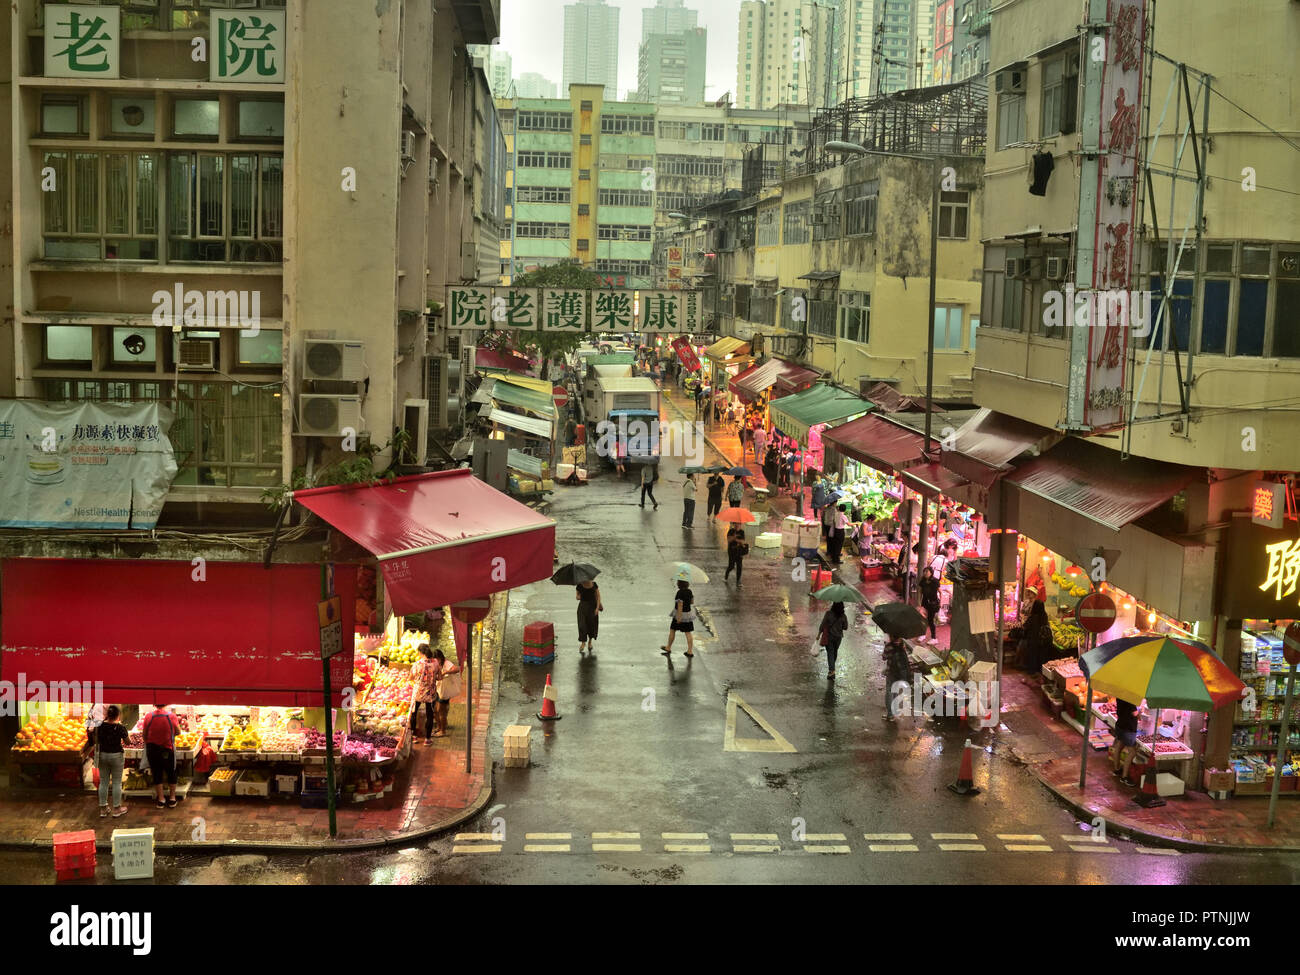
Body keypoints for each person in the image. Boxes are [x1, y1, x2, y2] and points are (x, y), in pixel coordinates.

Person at [143, 703, 181, 808]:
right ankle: (172, 798)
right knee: (171, 771)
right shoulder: (171, 716)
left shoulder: (148, 716)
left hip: (152, 749)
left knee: (156, 772)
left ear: (154, 704)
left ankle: (161, 799)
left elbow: (144, 734)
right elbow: (178, 732)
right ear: (166, 703)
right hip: (167, 749)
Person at [95, 705, 129, 818]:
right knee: (116, 782)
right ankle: (117, 808)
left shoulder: (99, 727)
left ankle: (103, 809)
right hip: (116, 756)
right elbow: (127, 742)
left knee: (103, 781)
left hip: (103, 755)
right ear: (118, 715)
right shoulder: (120, 727)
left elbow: (96, 739)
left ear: (107, 715)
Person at [660, 579, 696, 658]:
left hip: (679, 615)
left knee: (672, 630)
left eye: (677, 582)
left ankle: (668, 647)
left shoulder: (679, 592)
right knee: (688, 632)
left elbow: (680, 605)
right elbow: (692, 602)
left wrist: (679, 618)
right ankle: (690, 651)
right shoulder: (689, 591)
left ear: (680, 584)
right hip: (688, 614)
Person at [411, 643, 438, 743]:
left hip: (418, 691)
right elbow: (439, 677)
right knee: (430, 714)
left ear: (420, 653)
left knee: (414, 712)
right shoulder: (435, 663)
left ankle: (414, 736)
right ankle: (427, 739)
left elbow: (411, 677)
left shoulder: (417, 664)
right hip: (430, 693)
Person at [1018, 600, 1054, 671]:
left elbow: (1025, 626)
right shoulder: (1044, 615)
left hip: (1033, 639)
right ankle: (1040, 671)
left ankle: (1032, 671)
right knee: (1040, 656)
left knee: (1032, 656)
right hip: (1042, 640)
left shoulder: (1033, 617)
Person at [431, 649, 458, 738]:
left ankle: (443, 731)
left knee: (441, 711)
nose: (435, 661)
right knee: (435, 710)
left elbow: (456, 669)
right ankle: (439, 727)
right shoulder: (435, 664)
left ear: (440, 658)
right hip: (438, 690)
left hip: (444, 690)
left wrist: (445, 672)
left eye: (436, 659)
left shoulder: (446, 663)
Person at [818, 601, 848, 680]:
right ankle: (831, 670)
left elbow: (823, 624)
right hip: (838, 637)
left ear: (833, 606)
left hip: (829, 636)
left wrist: (819, 634)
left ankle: (832, 671)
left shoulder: (828, 613)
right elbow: (845, 627)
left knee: (830, 653)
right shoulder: (843, 616)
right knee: (834, 652)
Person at [883, 635, 911, 720]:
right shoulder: (902, 644)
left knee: (889, 692)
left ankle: (890, 715)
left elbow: (884, 657)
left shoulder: (889, 646)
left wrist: (886, 647)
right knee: (895, 692)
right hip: (900, 673)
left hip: (891, 672)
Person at [575, 579, 602, 653]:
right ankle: (583, 643)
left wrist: (597, 608)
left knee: (591, 625)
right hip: (582, 608)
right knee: (582, 625)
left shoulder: (594, 585)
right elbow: (577, 597)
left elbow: (598, 597)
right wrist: (580, 596)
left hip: (592, 607)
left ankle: (590, 642)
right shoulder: (579, 585)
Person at [919, 566, 942, 645]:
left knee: (930, 620)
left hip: (933, 603)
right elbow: (921, 592)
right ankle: (922, 634)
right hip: (925, 602)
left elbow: (940, 592)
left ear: (931, 573)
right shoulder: (923, 581)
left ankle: (934, 638)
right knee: (923, 618)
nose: (925, 573)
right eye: (924, 572)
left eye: (927, 572)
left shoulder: (935, 581)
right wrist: (920, 603)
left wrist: (940, 603)